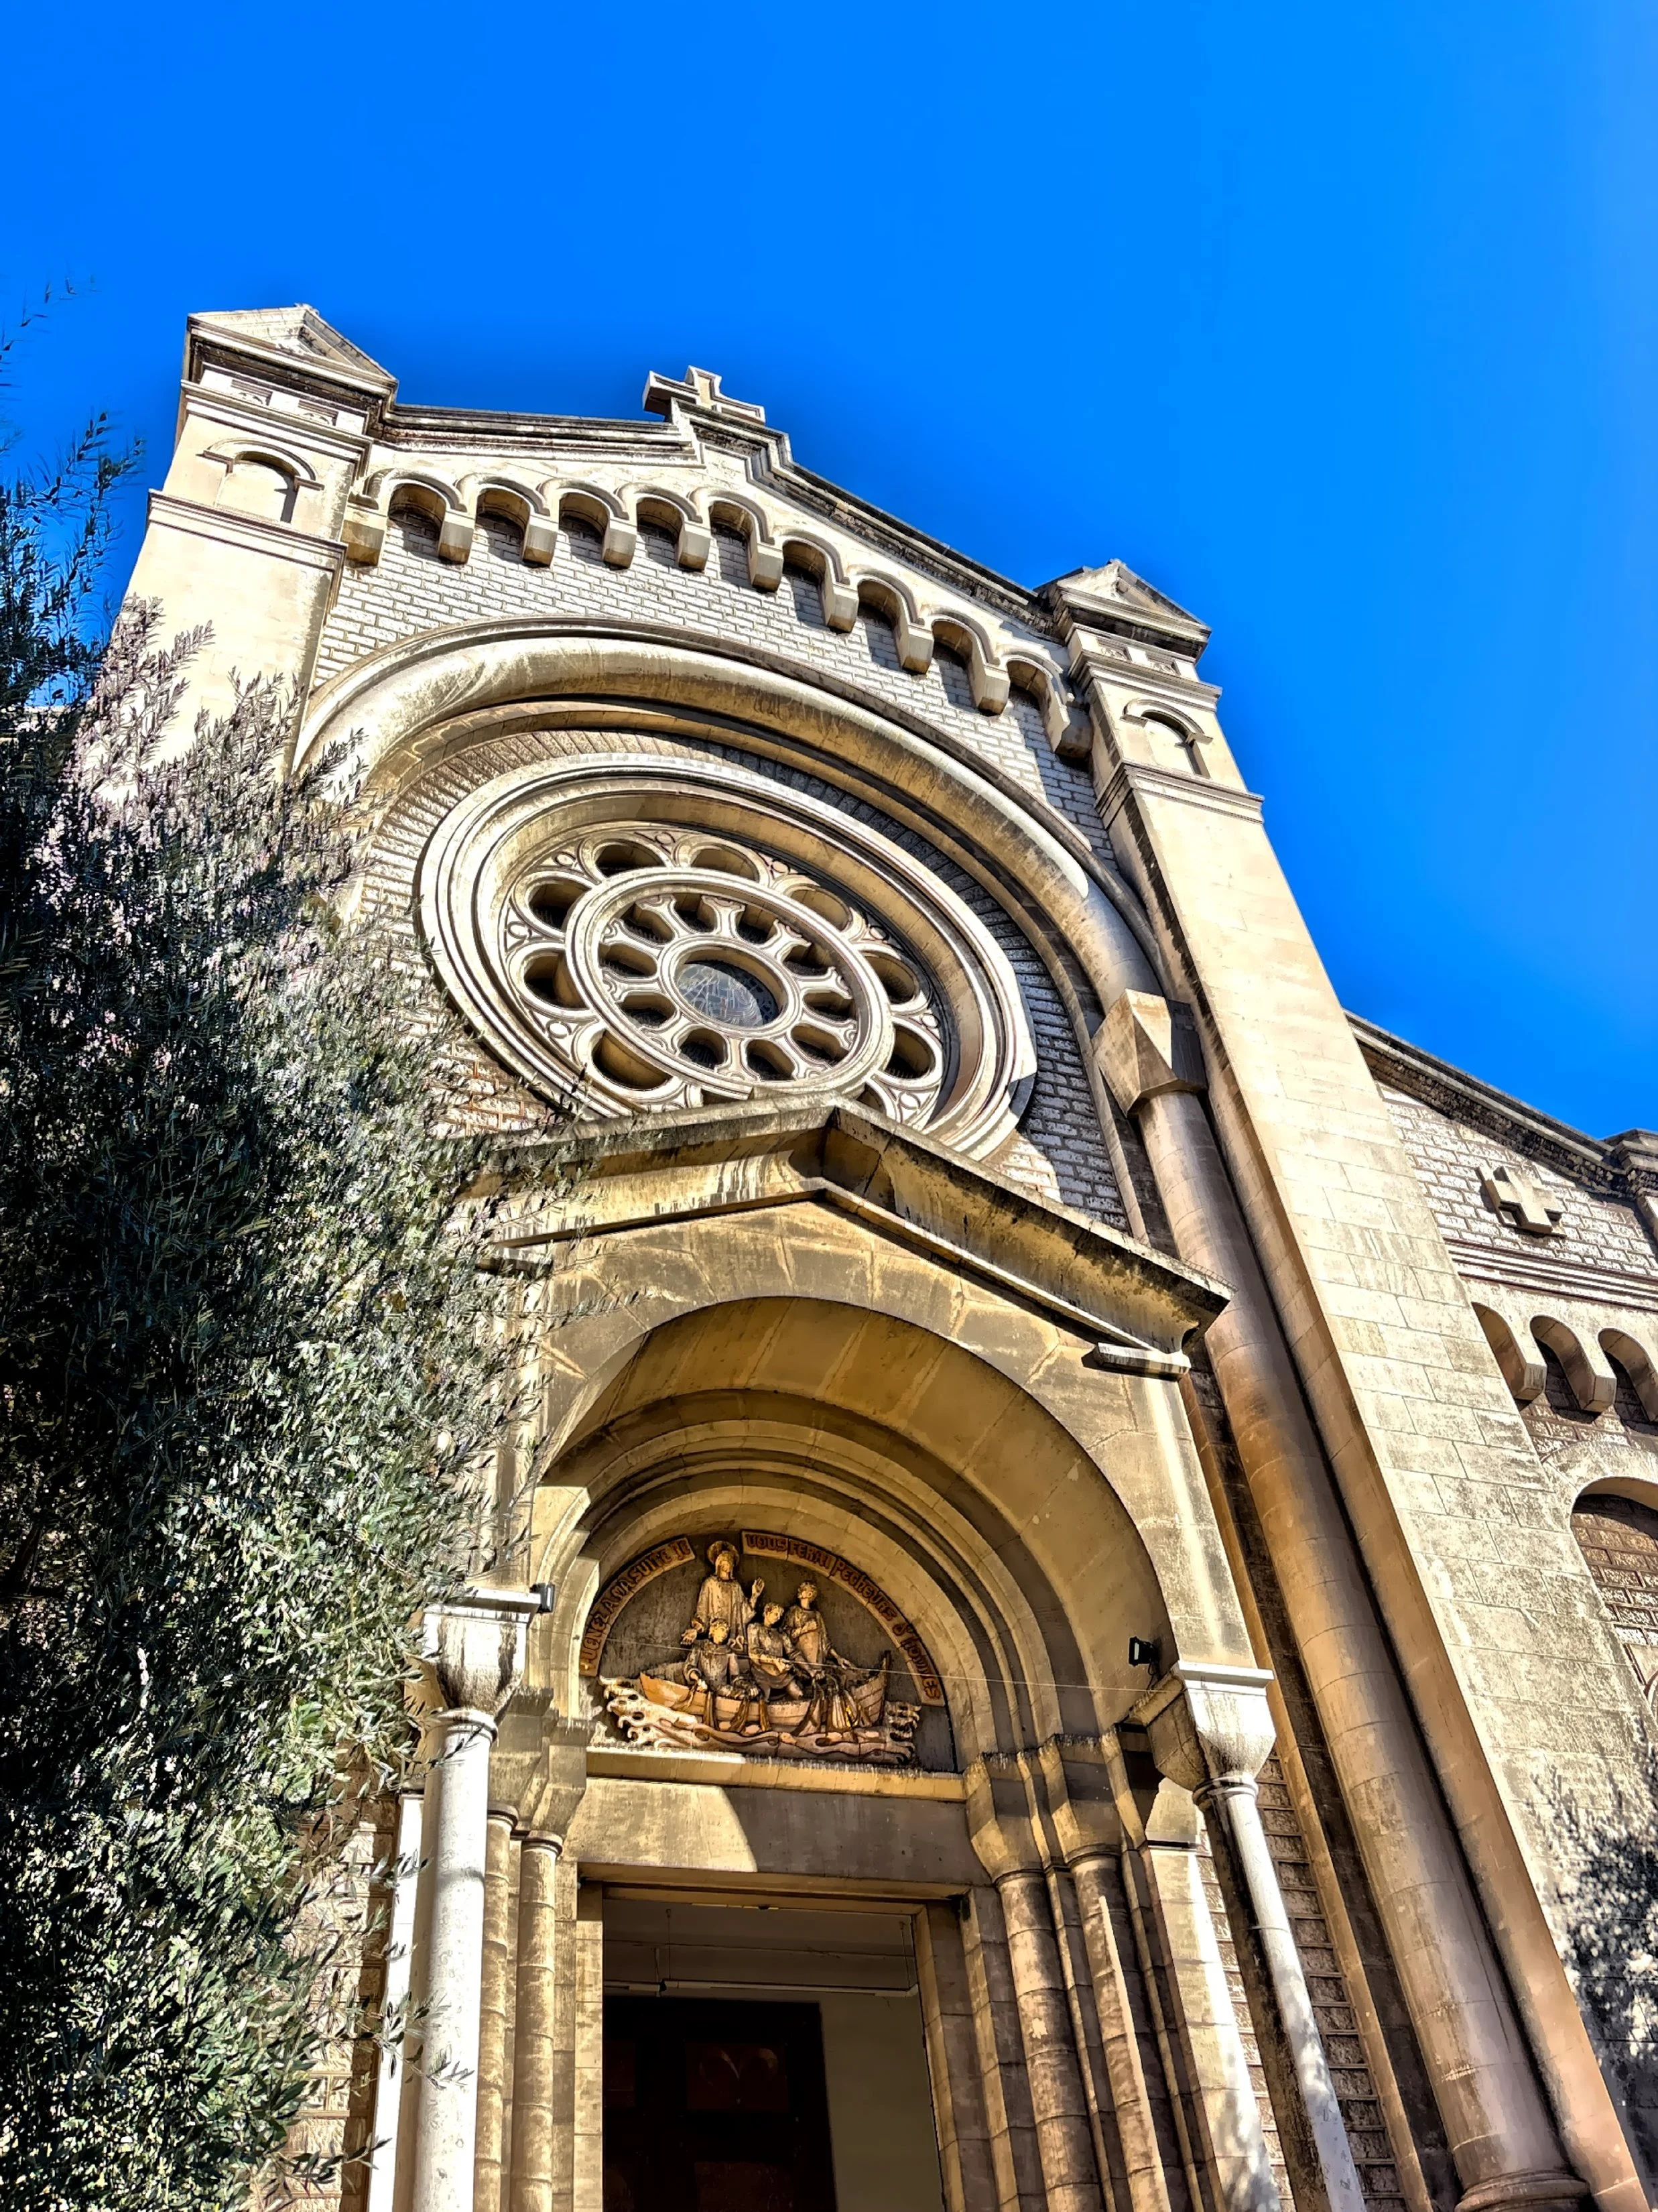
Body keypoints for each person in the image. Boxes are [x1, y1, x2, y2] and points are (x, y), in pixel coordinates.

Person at [682, 1540, 763, 1648]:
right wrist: (696, 1630)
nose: (727, 1564)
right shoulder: (710, 1583)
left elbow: (744, 1615)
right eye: (724, 1561)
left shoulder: (736, 1587)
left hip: (733, 1636)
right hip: (715, 1634)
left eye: (730, 1561)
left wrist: (754, 1596)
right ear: (718, 1564)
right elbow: (702, 1611)